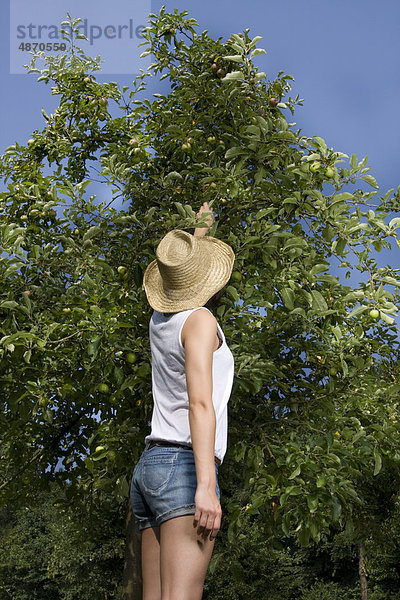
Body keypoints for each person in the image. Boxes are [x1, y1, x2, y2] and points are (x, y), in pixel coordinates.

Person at [129, 202, 235, 600]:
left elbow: (181, 271)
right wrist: (206, 485)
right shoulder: (201, 322)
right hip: (185, 467)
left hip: (150, 468)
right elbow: (200, 404)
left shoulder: (160, 320)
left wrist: (198, 230)